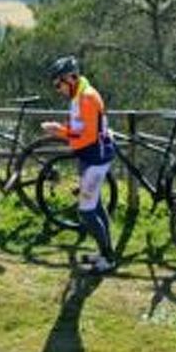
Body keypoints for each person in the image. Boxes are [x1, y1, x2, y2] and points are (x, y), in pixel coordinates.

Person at [41, 55, 117, 273]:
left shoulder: (87, 98)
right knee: (96, 206)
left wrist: (59, 131)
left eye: (59, 84)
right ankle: (105, 252)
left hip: (95, 159)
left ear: (71, 78)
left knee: (86, 211)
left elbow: (88, 136)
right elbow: (79, 127)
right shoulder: (78, 95)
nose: (58, 90)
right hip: (90, 157)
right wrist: (63, 129)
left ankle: (108, 259)